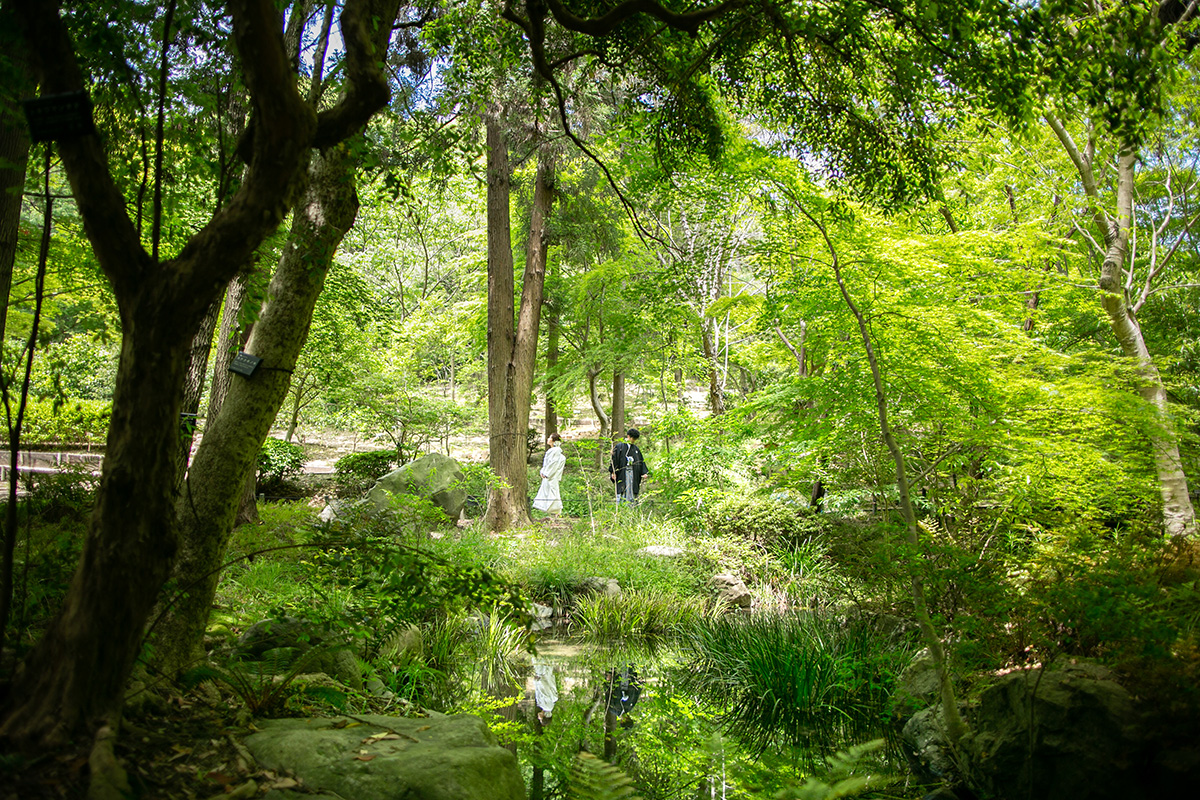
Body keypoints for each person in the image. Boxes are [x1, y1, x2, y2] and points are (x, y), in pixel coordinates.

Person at [609, 428, 649, 503]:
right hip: (623, 472)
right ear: (628, 436)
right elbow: (614, 460)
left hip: (633, 473)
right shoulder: (619, 447)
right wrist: (613, 472)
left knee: (632, 489)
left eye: (635, 439)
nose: (633, 441)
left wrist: (644, 472)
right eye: (632, 438)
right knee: (623, 488)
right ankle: (622, 505)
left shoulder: (636, 449)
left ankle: (632, 505)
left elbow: (641, 461)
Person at [532, 433, 566, 514]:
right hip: (549, 475)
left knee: (553, 492)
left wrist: (546, 473)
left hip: (551, 476)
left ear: (553, 441)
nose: (548, 439)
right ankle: (551, 510)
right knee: (548, 492)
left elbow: (553, 463)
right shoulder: (553, 451)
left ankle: (556, 511)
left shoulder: (556, 451)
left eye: (550, 438)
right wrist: (543, 471)